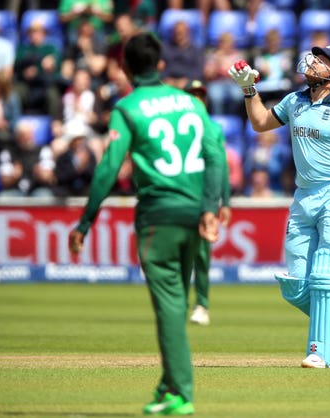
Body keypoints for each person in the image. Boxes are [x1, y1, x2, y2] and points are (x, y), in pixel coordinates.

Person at [67, 33, 225, 415]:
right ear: (160, 65)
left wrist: (86, 221)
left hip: (160, 215)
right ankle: (165, 387)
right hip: (194, 212)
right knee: (178, 299)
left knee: (169, 305)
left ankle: (181, 394)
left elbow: (107, 168)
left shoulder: (128, 107)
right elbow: (216, 154)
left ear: (123, 67)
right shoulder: (191, 103)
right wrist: (210, 207)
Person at [229, 44, 330, 368]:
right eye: (314, 57)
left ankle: (320, 351)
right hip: (304, 197)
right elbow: (260, 123)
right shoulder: (295, 101)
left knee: (326, 277)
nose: (312, 61)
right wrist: (249, 88)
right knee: (295, 287)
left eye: (321, 60)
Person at [182, 78, 232, 326]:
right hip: (181, 196)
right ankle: (178, 303)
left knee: (201, 256)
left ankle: (201, 304)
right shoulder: (178, 127)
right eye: (192, 95)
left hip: (205, 198)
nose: (196, 100)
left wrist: (225, 201)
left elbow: (220, 167)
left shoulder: (213, 128)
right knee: (179, 253)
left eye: (199, 96)